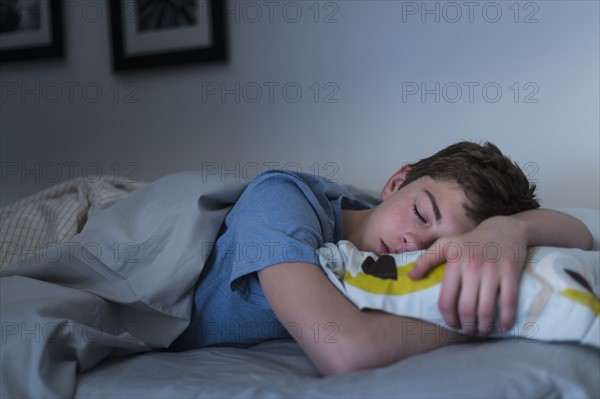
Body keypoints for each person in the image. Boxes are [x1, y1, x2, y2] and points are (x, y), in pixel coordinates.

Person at [172, 141, 593, 376]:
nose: (414, 242)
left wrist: (509, 231)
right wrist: (482, 320)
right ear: (395, 182)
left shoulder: (376, 254)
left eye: (437, 248)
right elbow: (343, 352)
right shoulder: (283, 201)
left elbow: (586, 234)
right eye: (421, 213)